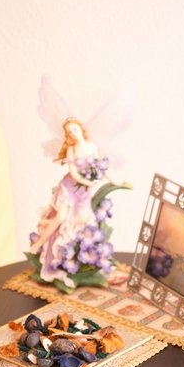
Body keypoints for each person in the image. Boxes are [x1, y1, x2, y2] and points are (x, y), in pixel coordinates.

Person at [30, 117, 112, 288]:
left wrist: (113, 181)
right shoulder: (71, 150)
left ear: (81, 128)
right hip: (69, 188)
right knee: (61, 218)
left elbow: (99, 168)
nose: (73, 133)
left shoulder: (91, 147)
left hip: (83, 193)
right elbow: (74, 174)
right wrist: (88, 182)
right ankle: (38, 244)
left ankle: (48, 227)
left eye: (74, 129)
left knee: (80, 222)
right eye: (69, 132)